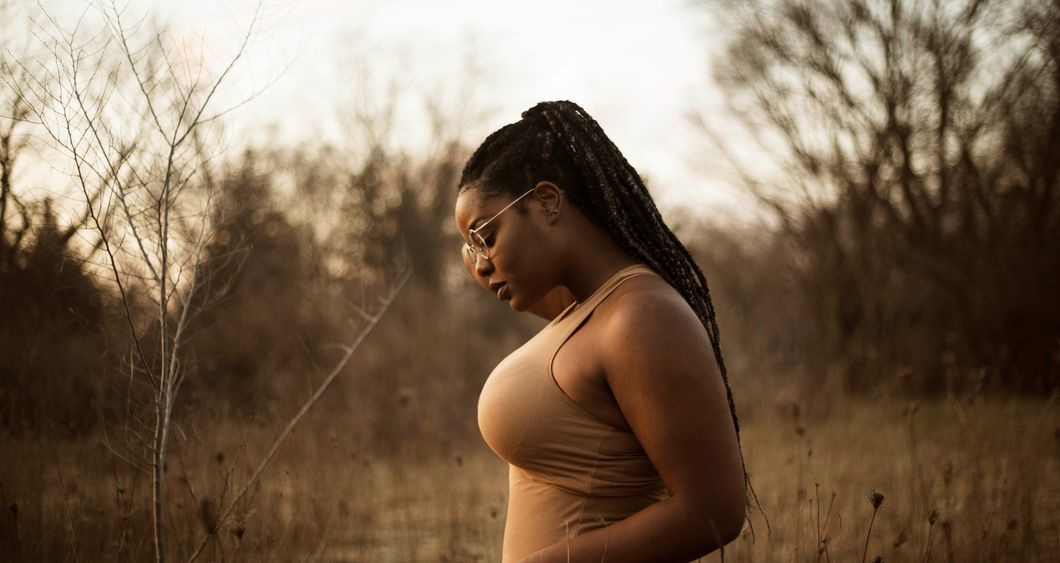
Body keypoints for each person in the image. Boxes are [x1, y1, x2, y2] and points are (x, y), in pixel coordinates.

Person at [454, 101, 748, 563]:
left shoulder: (642, 318)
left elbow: (715, 511)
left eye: (486, 238)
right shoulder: (582, 309)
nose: (482, 263)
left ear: (548, 201)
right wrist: (476, 239)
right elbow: (488, 270)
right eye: (473, 248)